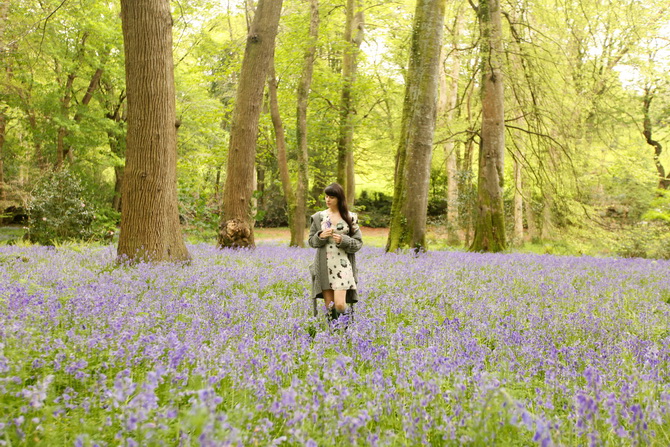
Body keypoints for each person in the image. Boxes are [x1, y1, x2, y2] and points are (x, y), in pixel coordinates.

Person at [308, 183, 363, 327]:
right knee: (330, 305)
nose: (328, 200)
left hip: (343, 266)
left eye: (331, 197)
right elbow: (311, 242)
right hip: (324, 266)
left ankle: (344, 332)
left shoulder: (350, 218)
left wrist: (343, 240)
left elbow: (358, 243)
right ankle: (332, 336)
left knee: (339, 304)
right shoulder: (318, 217)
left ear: (339, 198)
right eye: (326, 196)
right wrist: (321, 236)